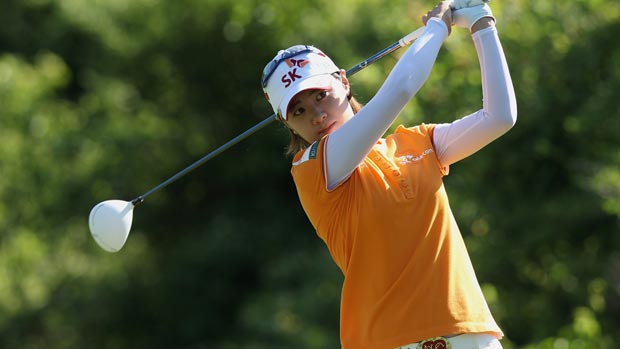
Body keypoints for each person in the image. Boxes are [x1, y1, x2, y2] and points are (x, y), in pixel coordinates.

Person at [260, 1, 516, 349]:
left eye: (321, 95)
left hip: (469, 331)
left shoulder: (417, 142)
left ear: (344, 82)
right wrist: (437, 29)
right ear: (285, 123)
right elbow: (399, 90)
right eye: (299, 110)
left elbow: (499, 117)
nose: (317, 115)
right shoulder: (313, 168)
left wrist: (482, 25)